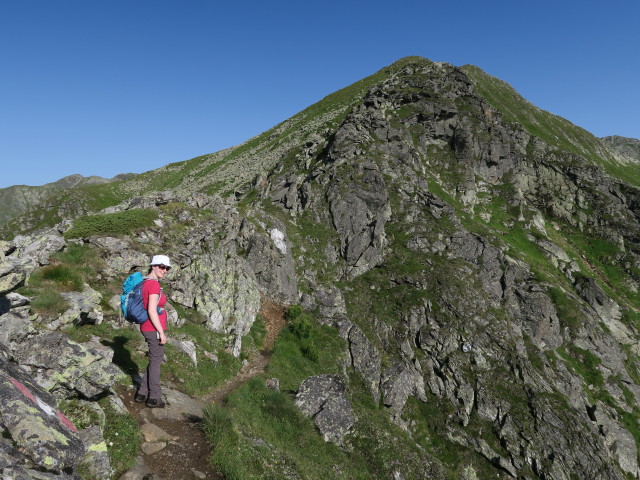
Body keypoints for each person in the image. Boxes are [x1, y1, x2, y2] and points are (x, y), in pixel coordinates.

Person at [134, 255, 171, 408]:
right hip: (153, 328)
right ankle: (154, 397)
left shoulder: (145, 282)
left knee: (154, 359)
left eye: (167, 268)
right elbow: (151, 310)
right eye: (162, 267)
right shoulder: (154, 285)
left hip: (147, 327)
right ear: (153, 266)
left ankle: (142, 393)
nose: (165, 270)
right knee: (156, 362)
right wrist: (161, 332)